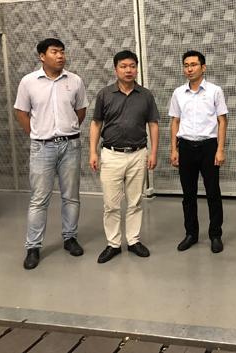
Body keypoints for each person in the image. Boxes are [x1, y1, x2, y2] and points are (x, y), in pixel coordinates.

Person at [14, 38, 88, 270]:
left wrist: (68, 130)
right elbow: (21, 112)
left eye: (62, 52)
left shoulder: (75, 80)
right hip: (42, 147)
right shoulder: (29, 82)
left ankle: (70, 238)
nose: (60, 56)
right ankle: (33, 247)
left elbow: (81, 110)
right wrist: (37, 134)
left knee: (71, 196)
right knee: (39, 199)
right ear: (42, 56)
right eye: (55, 52)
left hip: (70, 146)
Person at [89, 50, 159, 264]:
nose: (129, 70)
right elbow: (96, 124)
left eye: (132, 66)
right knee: (111, 204)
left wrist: (153, 152)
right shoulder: (105, 94)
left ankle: (134, 240)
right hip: (111, 155)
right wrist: (92, 151)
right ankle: (113, 244)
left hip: (138, 154)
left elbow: (153, 124)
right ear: (116, 69)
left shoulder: (145, 95)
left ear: (137, 68)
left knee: (135, 201)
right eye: (124, 66)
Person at [168, 50, 228, 253]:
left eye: (193, 65)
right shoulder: (178, 93)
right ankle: (191, 234)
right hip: (185, 146)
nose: (189, 69)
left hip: (209, 146)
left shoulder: (214, 91)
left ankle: (215, 235)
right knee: (188, 194)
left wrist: (220, 149)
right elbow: (175, 121)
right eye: (186, 65)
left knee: (213, 193)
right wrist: (174, 149)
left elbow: (222, 121)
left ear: (203, 67)